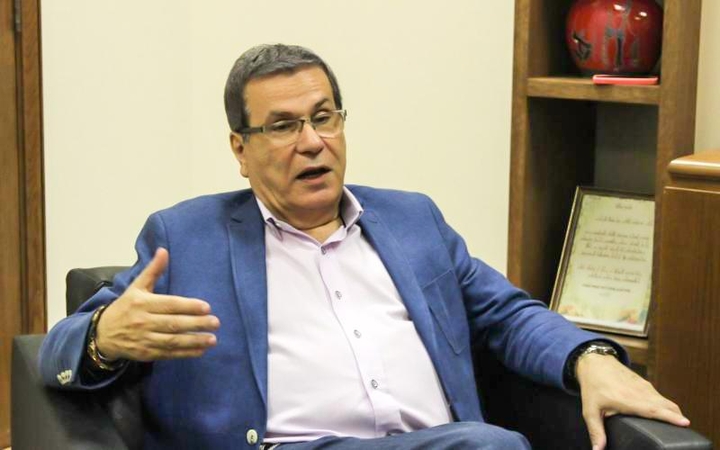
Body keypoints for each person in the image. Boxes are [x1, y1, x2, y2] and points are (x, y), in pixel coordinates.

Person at [40, 44, 689, 450]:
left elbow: (507, 313)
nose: (312, 141)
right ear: (240, 149)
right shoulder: (186, 237)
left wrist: (590, 358)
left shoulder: (413, 220)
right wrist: (103, 337)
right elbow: (52, 354)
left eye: (324, 117)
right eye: (283, 126)